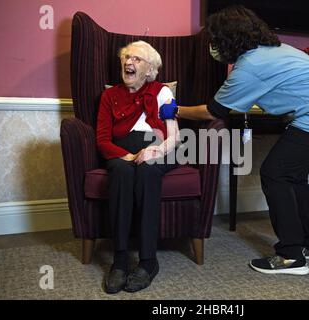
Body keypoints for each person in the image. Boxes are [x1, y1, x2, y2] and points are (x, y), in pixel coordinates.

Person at [160, 5, 309, 275]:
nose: (213, 45)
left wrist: (175, 110)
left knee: (274, 174)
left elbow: (213, 111)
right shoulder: (275, 51)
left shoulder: (250, 66)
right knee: (293, 176)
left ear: (229, 39)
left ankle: (291, 256)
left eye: (216, 39)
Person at [96, 40, 179, 293]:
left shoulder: (163, 92)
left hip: (159, 147)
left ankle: (148, 261)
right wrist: (128, 157)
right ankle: (119, 262)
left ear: (150, 69)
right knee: (121, 171)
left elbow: (174, 136)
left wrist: (156, 150)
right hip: (122, 150)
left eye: (137, 59)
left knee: (148, 170)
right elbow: (102, 139)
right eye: (127, 57)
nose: (128, 62)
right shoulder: (109, 95)